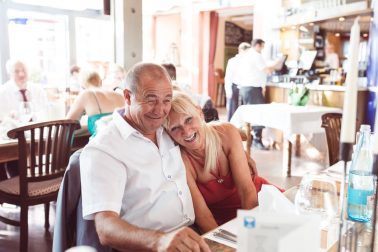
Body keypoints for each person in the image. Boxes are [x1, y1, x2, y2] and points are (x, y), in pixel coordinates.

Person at [80, 62, 210, 251]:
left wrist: (231, 139)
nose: (160, 110)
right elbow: (105, 228)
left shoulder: (167, 128)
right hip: (148, 246)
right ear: (127, 96)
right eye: (150, 99)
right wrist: (160, 241)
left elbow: (202, 130)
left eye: (167, 100)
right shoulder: (104, 149)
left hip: (192, 236)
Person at [163, 91, 284, 233]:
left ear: (200, 113)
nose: (186, 131)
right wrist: (221, 243)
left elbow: (247, 191)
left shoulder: (226, 133)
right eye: (175, 128)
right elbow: (203, 215)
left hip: (259, 202)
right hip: (221, 222)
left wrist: (250, 235)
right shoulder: (181, 161)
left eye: (188, 119)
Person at [233, 39, 279, 150]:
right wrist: (278, 63)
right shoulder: (256, 55)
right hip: (252, 88)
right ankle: (257, 141)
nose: (262, 50)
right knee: (259, 114)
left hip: (245, 88)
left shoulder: (247, 55)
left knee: (251, 115)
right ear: (257, 45)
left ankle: (251, 140)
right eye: (262, 47)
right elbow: (267, 70)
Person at [66, 68, 124, 136]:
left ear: (82, 84)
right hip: (124, 143)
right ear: (100, 81)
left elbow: (67, 124)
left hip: (102, 144)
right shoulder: (119, 95)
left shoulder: (86, 94)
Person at [224, 42, 251, 121]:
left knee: (244, 111)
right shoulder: (232, 61)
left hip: (245, 88)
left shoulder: (249, 61)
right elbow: (228, 76)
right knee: (233, 111)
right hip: (234, 88)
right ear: (240, 50)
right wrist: (228, 91)